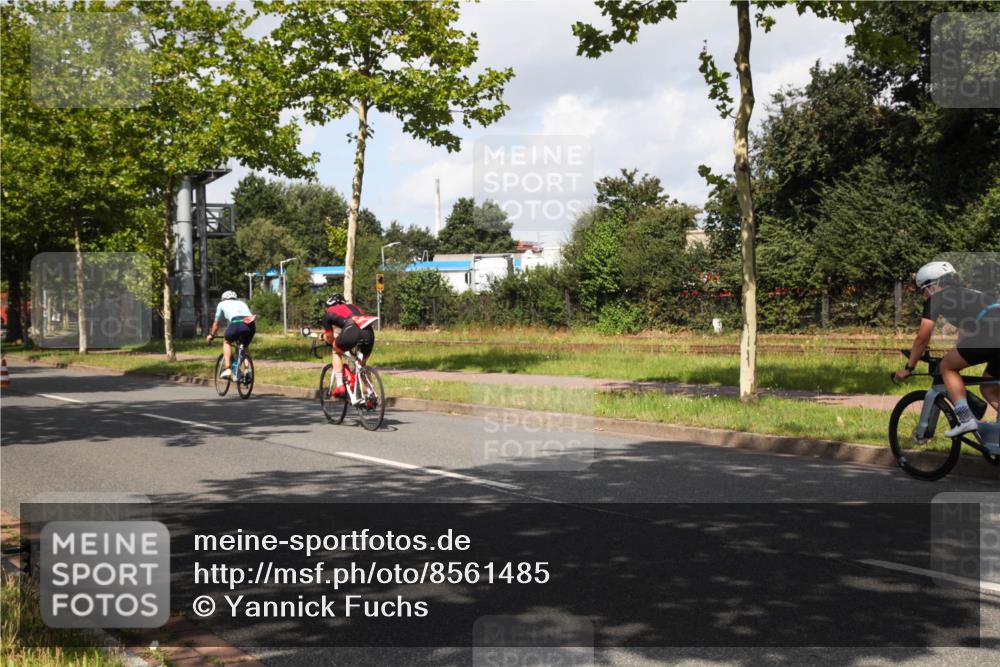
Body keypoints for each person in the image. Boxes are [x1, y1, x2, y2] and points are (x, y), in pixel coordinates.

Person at [895, 261, 1000, 437]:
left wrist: (909, 367)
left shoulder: (936, 298)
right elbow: (966, 333)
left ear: (932, 284)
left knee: (947, 367)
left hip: (992, 334)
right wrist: (954, 353)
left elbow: (922, 337)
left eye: (924, 289)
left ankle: (966, 419)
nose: (925, 295)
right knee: (988, 387)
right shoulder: (970, 293)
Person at [321, 294, 376, 397]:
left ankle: (340, 385)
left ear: (328, 306)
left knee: (335, 350)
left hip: (352, 330)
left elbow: (329, 337)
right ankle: (371, 394)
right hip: (368, 331)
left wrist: (328, 339)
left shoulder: (328, 313)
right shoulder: (354, 307)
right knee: (361, 365)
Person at [206, 290, 256, 379]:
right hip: (251, 324)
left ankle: (227, 368)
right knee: (244, 347)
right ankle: (247, 370)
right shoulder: (242, 303)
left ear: (223, 298)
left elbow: (216, 324)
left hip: (237, 322)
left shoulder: (221, 304)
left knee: (226, 341)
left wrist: (212, 335)